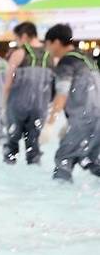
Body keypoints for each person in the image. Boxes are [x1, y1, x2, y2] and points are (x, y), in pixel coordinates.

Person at [43, 23, 100, 182]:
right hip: (96, 120)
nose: (47, 49)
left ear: (55, 42)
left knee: (63, 160)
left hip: (84, 120)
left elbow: (62, 94)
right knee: (92, 161)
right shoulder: (87, 59)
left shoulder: (66, 62)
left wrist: (50, 124)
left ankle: (58, 202)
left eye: (47, 44)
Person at [3, 21, 53, 166]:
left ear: (24, 36)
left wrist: (2, 106)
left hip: (17, 106)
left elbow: (7, 83)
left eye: (17, 38)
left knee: (11, 146)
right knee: (34, 147)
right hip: (40, 108)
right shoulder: (50, 56)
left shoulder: (19, 53)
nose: (16, 42)